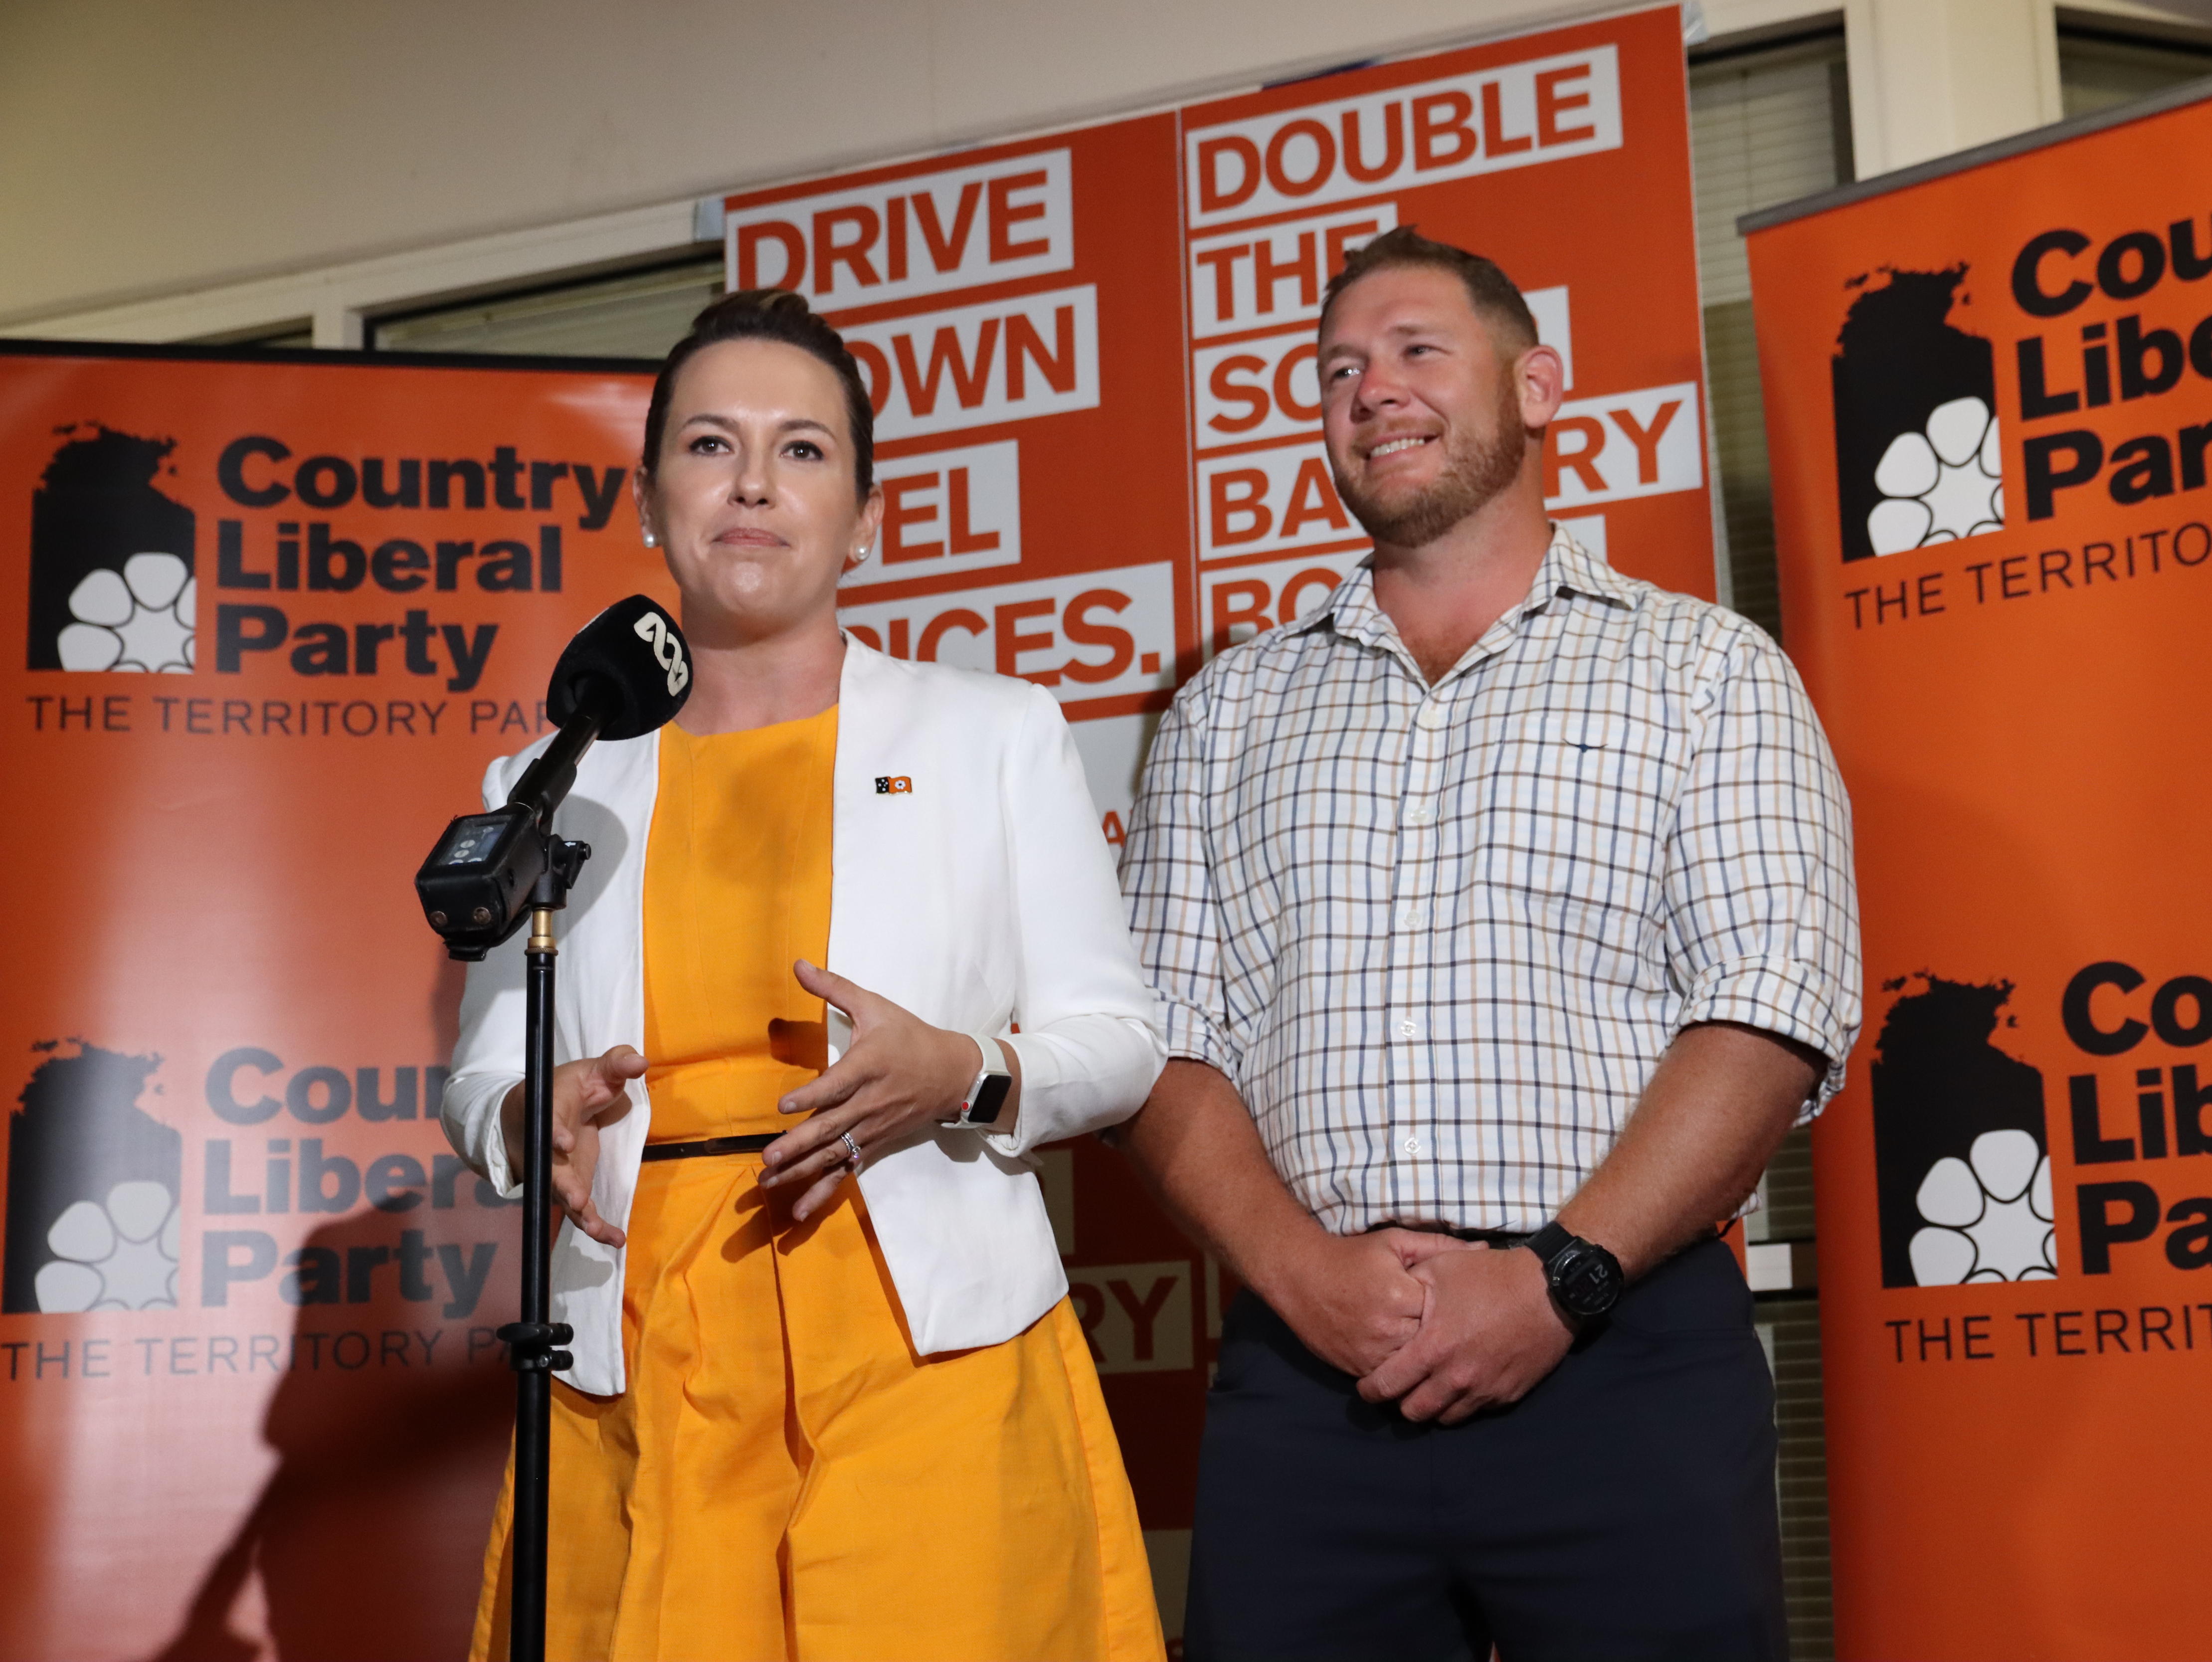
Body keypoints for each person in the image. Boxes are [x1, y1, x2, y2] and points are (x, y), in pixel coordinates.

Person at [1118, 226, 1862, 1660]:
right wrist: (1299, 1276)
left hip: (1623, 1355)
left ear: (1537, 387)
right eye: (1338, 369)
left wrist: (1558, 1279)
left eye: (1415, 352)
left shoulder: (1704, 667)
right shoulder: (1227, 714)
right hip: (1310, 1376)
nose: (1371, 389)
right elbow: (1162, 1041)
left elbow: (1771, 1007)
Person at [439, 289, 1165, 1662]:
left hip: (927, 1344)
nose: (755, 484)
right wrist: (529, 1117)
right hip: (644, 1349)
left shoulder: (992, 734)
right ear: (650, 500)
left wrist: (968, 1070)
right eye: (711, 447)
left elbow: (1118, 1039)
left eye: (804, 451)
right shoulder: (555, 782)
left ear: (868, 513)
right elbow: (481, 1082)